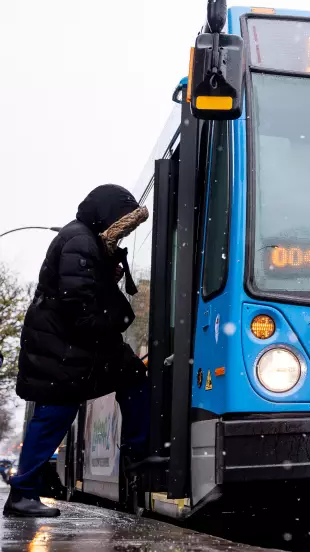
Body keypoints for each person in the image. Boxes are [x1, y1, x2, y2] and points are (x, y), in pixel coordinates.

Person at [4, 185, 150, 518]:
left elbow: (80, 294)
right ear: (108, 216)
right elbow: (78, 305)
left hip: (68, 345)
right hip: (63, 348)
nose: (124, 230)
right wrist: (111, 322)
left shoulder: (85, 240)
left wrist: (107, 274)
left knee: (131, 376)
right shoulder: (81, 242)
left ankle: (137, 454)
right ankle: (22, 493)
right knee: (54, 414)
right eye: (123, 222)